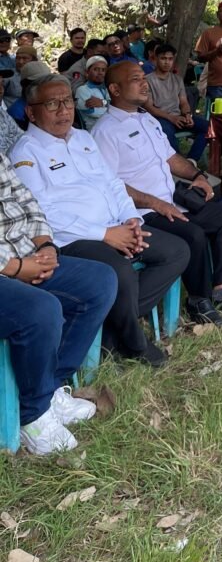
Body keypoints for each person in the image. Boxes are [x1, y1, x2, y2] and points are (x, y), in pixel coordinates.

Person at [11, 74, 189, 367]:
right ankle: (134, 344)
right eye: (52, 104)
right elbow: (41, 212)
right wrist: (105, 233)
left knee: (176, 251)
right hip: (71, 239)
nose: (64, 110)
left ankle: (110, 326)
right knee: (118, 270)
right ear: (31, 112)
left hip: (117, 226)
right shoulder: (26, 152)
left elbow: (113, 184)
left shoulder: (82, 138)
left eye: (67, 101)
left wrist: (131, 220)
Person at [93, 62, 222, 324]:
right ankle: (198, 301)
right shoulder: (105, 131)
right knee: (193, 234)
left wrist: (197, 175)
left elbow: (170, 157)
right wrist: (154, 203)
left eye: (143, 78)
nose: (144, 83)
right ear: (114, 89)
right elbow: (110, 184)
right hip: (143, 212)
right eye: (136, 79)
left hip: (173, 200)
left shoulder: (147, 118)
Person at [0, 152, 118, 454]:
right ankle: (33, 416)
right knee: (40, 310)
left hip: (26, 255)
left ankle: (48, 390)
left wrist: (46, 245)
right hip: (6, 265)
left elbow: (25, 200)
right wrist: (12, 267)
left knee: (100, 282)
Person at [145, 44, 208, 162]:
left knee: (209, 128)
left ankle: (191, 161)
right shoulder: (147, 80)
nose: (167, 62)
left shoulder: (177, 79)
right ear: (156, 59)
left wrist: (187, 114)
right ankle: (177, 165)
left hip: (179, 116)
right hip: (159, 118)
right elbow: (149, 107)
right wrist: (171, 118)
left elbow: (183, 102)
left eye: (170, 59)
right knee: (166, 131)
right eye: (163, 58)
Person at [73, 55, 111, 131]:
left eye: (103, 70)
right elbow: (95, 113)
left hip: (110, 126)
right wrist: (109, 104)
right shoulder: (82, 90)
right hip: (94, 130)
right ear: (87, 72)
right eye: (96, 69)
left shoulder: (107, 88)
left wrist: (102, 103)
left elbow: (118, 106)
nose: (100, 73)